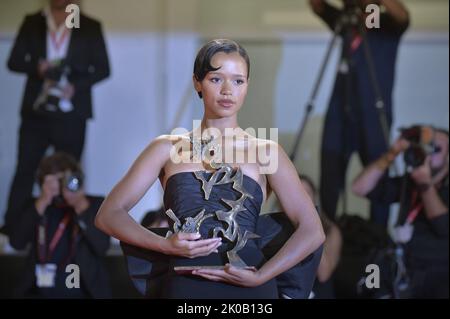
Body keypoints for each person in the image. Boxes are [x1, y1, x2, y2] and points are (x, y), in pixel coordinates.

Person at [95, 39, 325, 299]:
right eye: (216, 79)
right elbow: (108, 215)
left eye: (238, 81)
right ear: (197, 82)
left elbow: (312, 230)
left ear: (247, 85)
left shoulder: (266, 151)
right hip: (186, 281)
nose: (228, 90)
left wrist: (262, 275)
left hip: (249, 282)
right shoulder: (166, 148)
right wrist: (164, 245)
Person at [2, 0, 110, 236]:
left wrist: (76, 86)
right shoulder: (33, 23)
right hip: (36, 112)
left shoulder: (89, 26)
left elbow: (103, 68)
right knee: (25, 170)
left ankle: (68, 231)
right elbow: (14, 61)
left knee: (70, 174)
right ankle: (13, 231)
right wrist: (37, 68)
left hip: (72, 112)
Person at [309, 0, 410, 226]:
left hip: (373, 117)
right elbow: (317, 6)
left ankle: (378, 244)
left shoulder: (386, 24)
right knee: (330, 181)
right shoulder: (347, 21)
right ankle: (328, 243)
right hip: (339, 115)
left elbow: (403, 15)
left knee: (379, 182)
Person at [352, 126, 449, 298]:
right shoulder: (410, 182)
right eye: (426, 146)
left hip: (437, 278)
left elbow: (443, 225)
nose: (428, 152)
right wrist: (392, 153)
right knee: (369, 279)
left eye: (436, 148)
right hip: (403, 270)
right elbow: (359, 188)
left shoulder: (430, 184)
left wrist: (425, 184)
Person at [9, 152, 111, 298]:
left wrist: (79, 205)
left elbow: (102, 246)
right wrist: (43, 200)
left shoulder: (93, 204)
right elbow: (16, 243)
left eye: (65, 179)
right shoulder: (36, 206)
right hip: (38, 291)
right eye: (55, 179)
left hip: (82, 291)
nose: (61, 184)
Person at [299, 175, 342, 299]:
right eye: (297, 193)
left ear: (314, 199)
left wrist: (308, 225)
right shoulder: (274, 227)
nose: (300, 200)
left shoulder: (331, 231)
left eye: (305, 194)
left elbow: (324, 274)